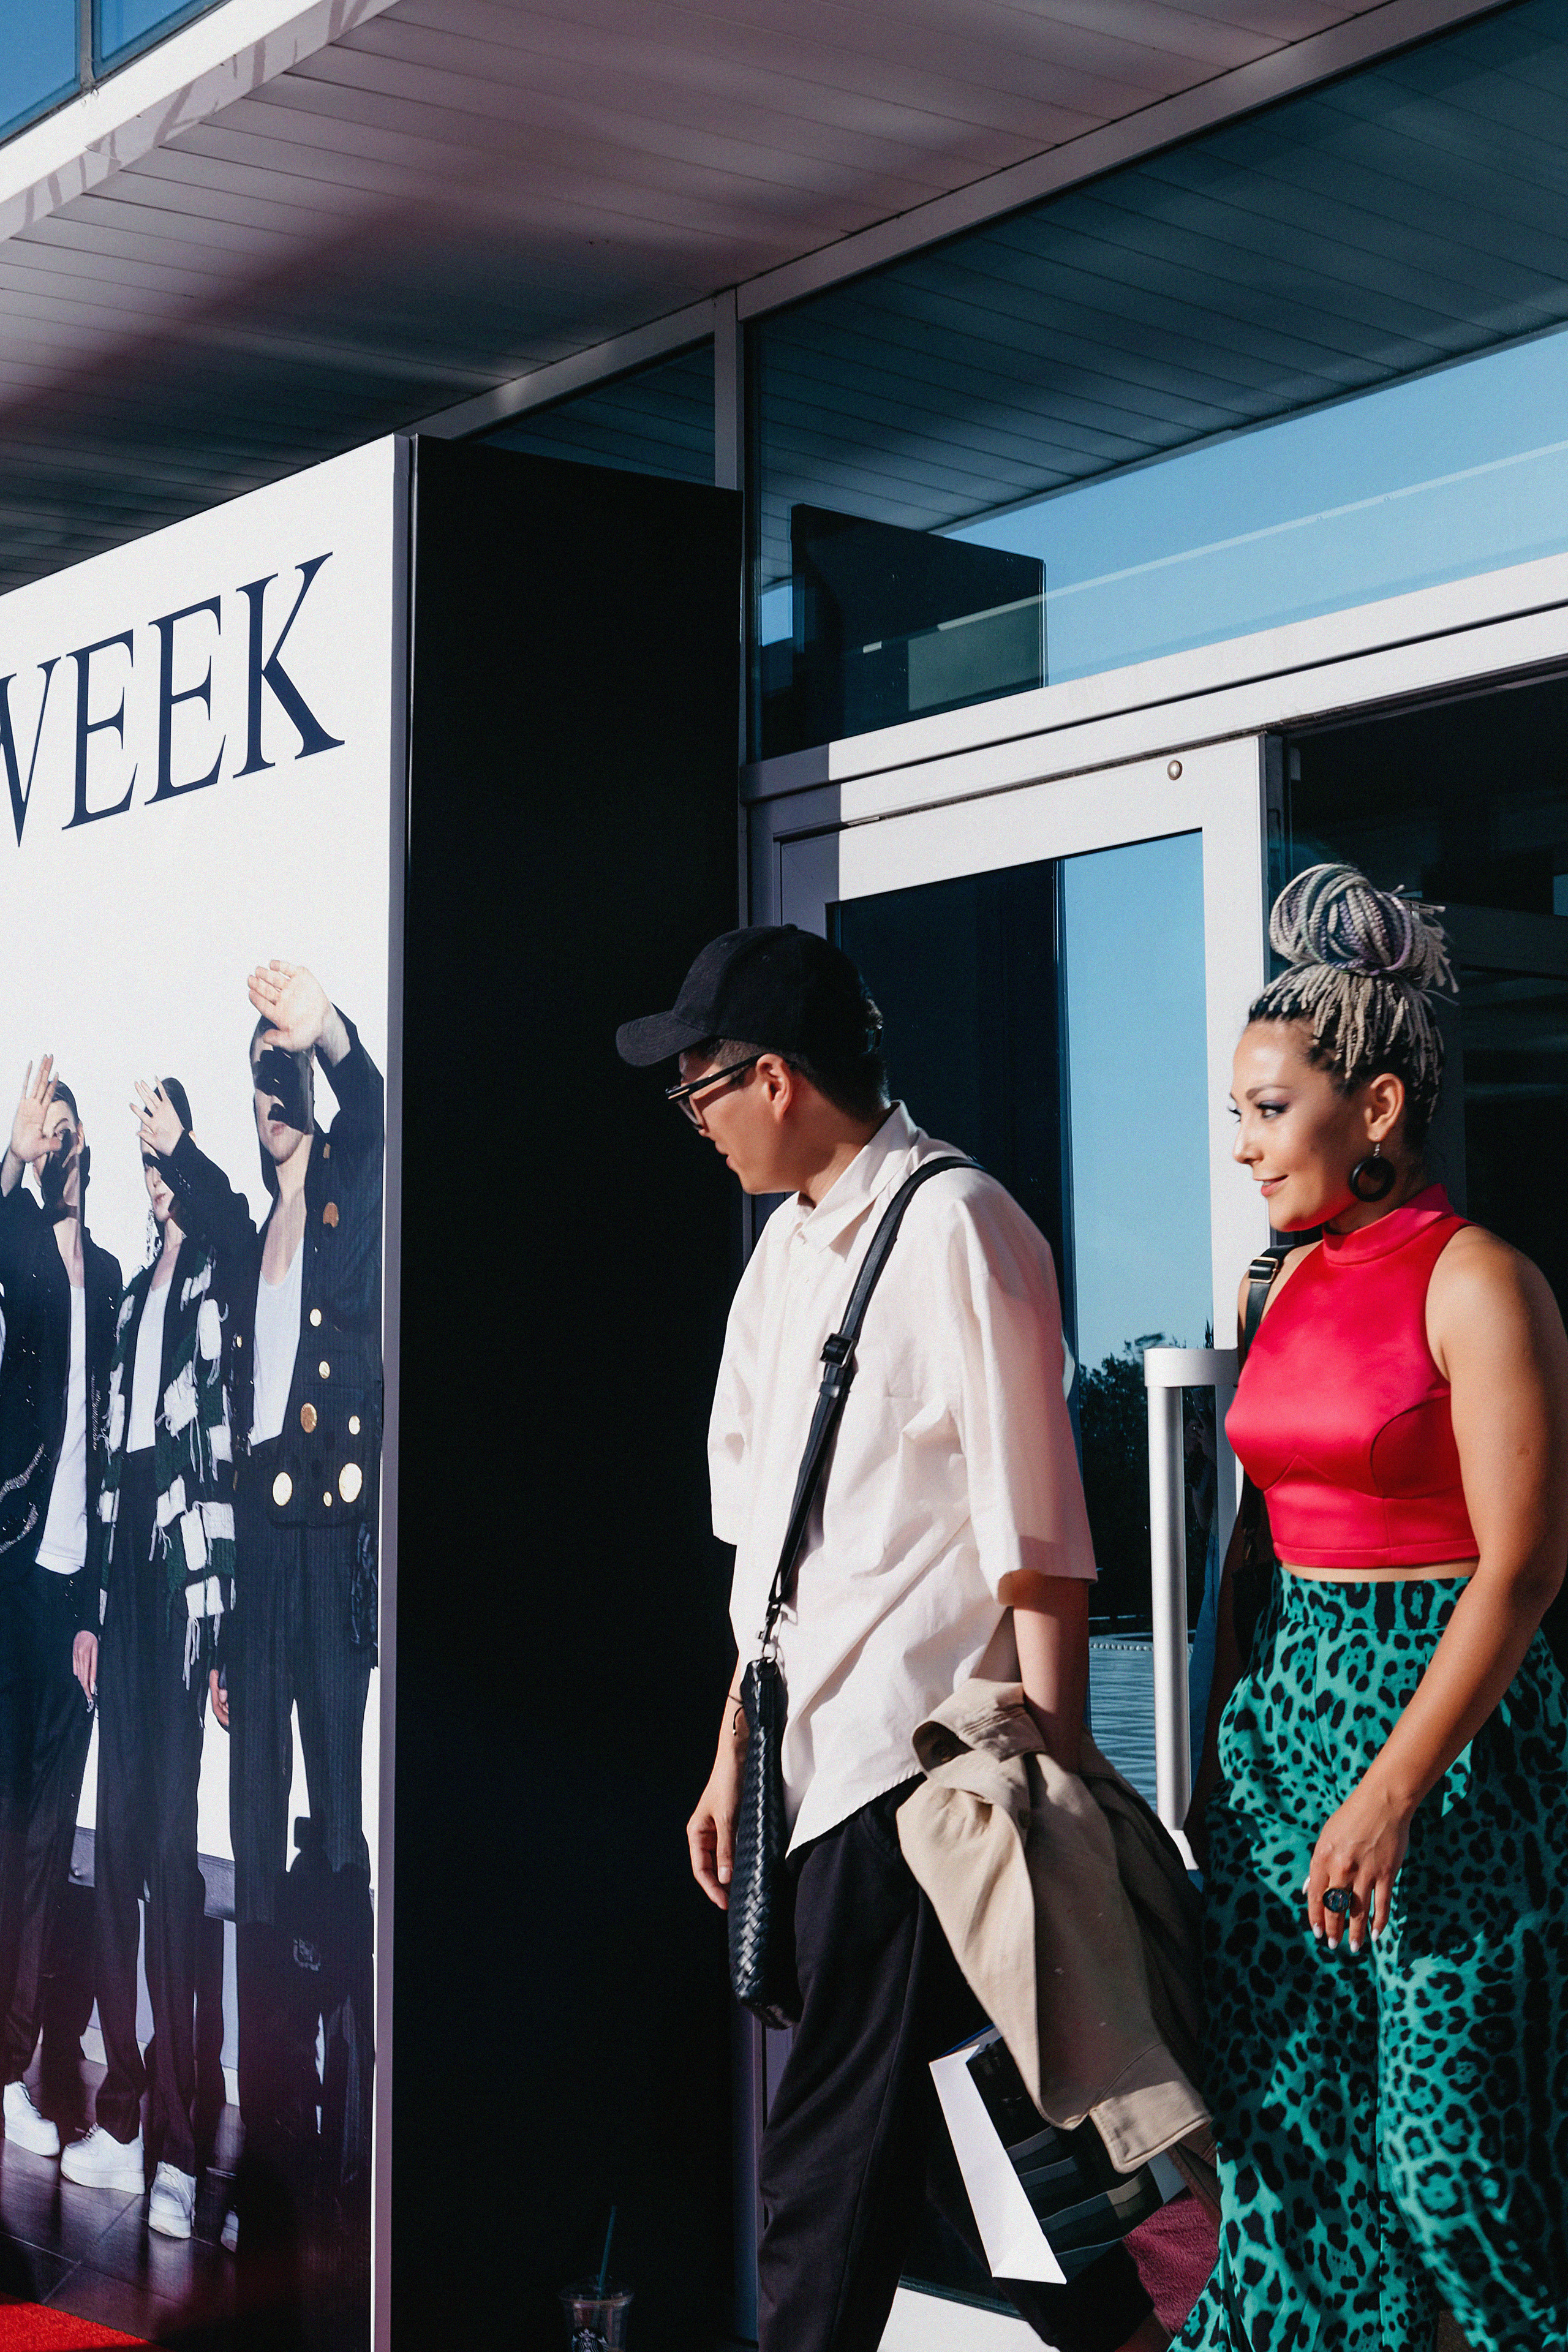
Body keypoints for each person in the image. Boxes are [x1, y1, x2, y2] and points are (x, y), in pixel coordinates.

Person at [617, 925, 1168, 2352]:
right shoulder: (785, 1253)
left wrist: (1054, 1784)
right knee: (937, 2145)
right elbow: (769, 1546)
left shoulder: (956, 1224)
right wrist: (734, 1747)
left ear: (779, 1078)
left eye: (700, 1090)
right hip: (810, 1767)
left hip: (915, 1774)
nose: (694, 1120)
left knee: (823, 2168)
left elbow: (1031, 1528)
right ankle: (1122, 2326)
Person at [1182, 865, 1568, 2350]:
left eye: (1269, 1112)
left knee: (1448, 2168)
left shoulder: (1481, 1284)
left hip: (1453, 1742)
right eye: (1236, 1113)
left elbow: (1522, 1570)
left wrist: (1393, 1788)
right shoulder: (1269, 1287)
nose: (1241, 1147)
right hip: (1287, 1728)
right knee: (1287, 2163)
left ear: (1380, 1109)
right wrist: (1240, 1751)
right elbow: (1259, 1545)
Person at [157, 962, 382, 2248]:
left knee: (337, 1833)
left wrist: (328, 1036)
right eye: (262, 1074)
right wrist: (181, 1147)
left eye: (285, 1069)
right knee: (248, 1830)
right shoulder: (252, 1229)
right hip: (256, 1551)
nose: (273, 1092)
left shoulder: (352, 1190)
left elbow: (379, 1119)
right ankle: (275, 2132)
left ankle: (344, 2137)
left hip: (331, 1539)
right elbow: (202, 1197)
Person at [61, 1078, 233, 2239]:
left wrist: (213, 1633)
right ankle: (123, 2104)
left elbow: (206, 1480)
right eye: (148, 1165)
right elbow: (111, 1459)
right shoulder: (128, 1302)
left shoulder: (218, 1272)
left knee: (173, 1860)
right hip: (124, 1592)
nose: (158, 1179)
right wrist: (90, 1612)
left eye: (170, 1159)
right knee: (119, 1852)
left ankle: (181, 2134)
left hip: (186, 1593)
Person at [0, 1061, 121, 2157]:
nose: (67, 1153)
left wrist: (99, 1603)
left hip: (82, 1596)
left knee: (44, 1842)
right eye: (56, 1138)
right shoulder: (23, 1256)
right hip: (14, 1574)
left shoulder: (116, 1277)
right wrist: (10, 1160)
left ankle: (20, 2067)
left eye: (77, 1141)